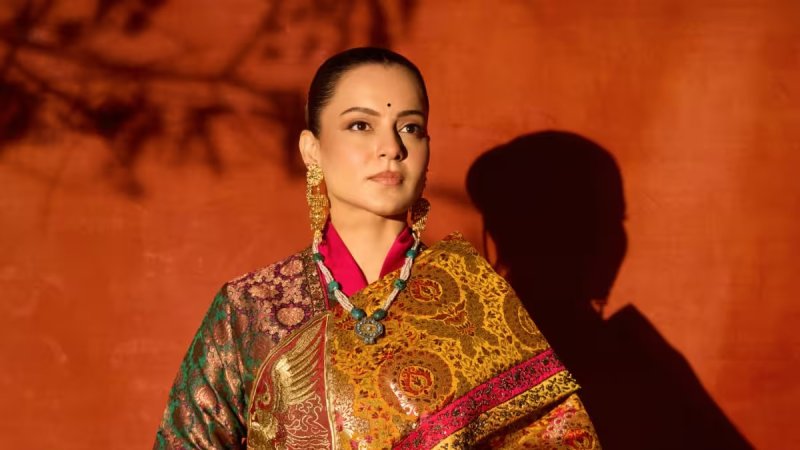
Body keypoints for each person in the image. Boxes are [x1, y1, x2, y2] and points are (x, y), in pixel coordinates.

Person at [154, 47, 601, 449]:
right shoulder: (251, 310)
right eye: (360, 125)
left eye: (410, 127)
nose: (391, 148)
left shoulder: (479, 303)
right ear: (312, 149)